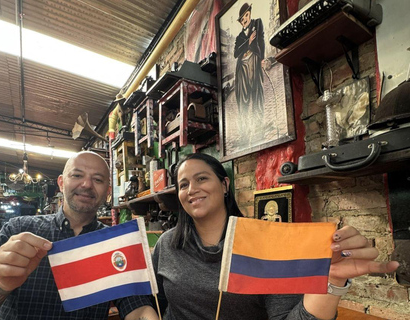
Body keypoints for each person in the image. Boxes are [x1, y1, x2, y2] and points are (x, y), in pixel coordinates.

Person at [152, 153, 400, 320]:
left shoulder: (264, 244)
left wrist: (332, 281)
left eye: (201, 178)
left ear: (225, 185)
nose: (192, 189)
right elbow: (154, 302)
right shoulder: (167, 244)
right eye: (183, 185)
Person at [0, 151, 157, 320]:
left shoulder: (113, 243)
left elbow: (135, 305)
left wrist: (147, 314)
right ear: (61, 183)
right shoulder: (19, 229)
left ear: (108, 192)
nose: (87, 184)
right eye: (77, 175)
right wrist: (1, 283)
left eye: (97, 179)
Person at [234, 3, 265, 133]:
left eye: (246, 15)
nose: (244, 20)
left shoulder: (257, 23)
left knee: (257, 92)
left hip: (255, 62)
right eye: (242, 19)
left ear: (249, 13)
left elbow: (261, 41)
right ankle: (245, 129)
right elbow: (236, 53)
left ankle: (258, 125)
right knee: (243, 98)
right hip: (242, 67)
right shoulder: (239, 37)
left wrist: (262, 58)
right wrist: (248, 42)